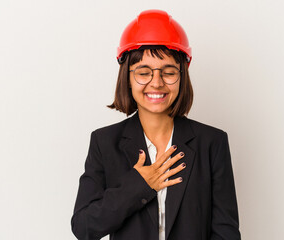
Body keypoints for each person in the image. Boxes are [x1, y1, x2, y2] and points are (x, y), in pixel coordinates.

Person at [71, 9, 241, 240]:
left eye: (169, 72)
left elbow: (226, 232)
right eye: (144, 72)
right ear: (128, 78)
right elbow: (84, 227)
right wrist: (139, 184)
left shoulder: (212, 143)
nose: (157, 83)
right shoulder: (104, 142)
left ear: (182, 77)